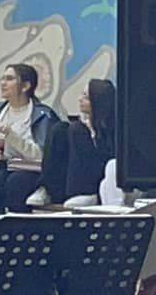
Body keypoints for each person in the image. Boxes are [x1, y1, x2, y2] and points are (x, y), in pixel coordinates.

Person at [0, 62, 60, 225]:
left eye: (9, 79)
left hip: (30, 169)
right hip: (2, 167)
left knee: (16, 184)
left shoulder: (43, 115)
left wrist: (12, 137)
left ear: (25, 86)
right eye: (3, 78)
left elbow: (42, 155)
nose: (3, 83)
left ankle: (17, 232)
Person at [43, 77, 121, 207]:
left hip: (96, 180)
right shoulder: (82, 122)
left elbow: (107, 156)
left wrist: (92, 134)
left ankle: (85, 192)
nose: (80, 99)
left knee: (76, 129)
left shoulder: (113, 127)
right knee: (59, 129)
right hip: (72, 180)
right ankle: (47, 188)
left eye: (86, 97)